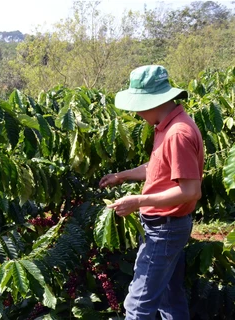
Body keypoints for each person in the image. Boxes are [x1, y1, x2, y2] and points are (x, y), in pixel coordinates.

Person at [99, 65, 203, 319]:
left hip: (165, 229)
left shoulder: (178, 133)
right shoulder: (167, 126)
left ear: (155, 101)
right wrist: (121, 176)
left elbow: (190, 191)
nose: (136, 112)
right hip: (167, 226)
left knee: (138, 304)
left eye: (139, 104)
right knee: (169, 298)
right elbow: (159, 168)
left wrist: (138, 201)